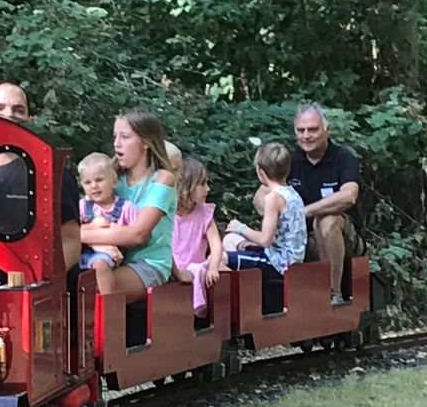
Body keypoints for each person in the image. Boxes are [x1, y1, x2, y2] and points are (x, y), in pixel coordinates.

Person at [255, 103, 363, 305]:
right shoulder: (290, 160)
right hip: (299, 241)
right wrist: (272, 210)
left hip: (343, 238)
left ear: (326, 130)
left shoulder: (343, 158)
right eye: (301, 130)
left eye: (312, 129)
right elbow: (261, 195)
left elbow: (349, 196)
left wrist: (302, 211)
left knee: (325, 221)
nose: (306, 136)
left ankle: (333, 292)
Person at [0, 82, 82, 274]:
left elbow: (70, 239)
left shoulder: (52, 171)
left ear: (29, 119)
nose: (9, 115)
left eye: (18, 110)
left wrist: (41, 279)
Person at [81, 109, 176, 300]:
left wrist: (77, 236)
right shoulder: (111, 179)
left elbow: (138, 234)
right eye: (115, 136)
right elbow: (85, 214)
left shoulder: (161, 179)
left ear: (146, 143)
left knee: (96, 284)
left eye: (124, 137)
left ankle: (110, 328)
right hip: (110, 255)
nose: (116, 143)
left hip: (148, 262)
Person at [224, 142, 306, 283]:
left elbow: (265, 240)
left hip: (278, 264)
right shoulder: (293, 193)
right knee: (230, 239)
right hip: (289, 257)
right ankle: (246, 287)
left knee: (220, 258)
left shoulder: (273, 198)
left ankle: (242, 298)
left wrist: (240, 228)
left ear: (260, 171)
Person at [75, 153, 140, 294]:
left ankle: (107, 304)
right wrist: (91, 226)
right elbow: (70, 231)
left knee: (100, 264)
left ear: (114, 181)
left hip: (110, 255)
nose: (94, 186)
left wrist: (116, 230)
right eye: (88, 182)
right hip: (80, 252)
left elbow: (136, 235)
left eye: (99, 180)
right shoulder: (81, 206)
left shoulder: (126, 207)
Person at [171, 157, 223, 317]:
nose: (207, 189)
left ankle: (199, 311)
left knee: (196, 269)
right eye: (202, 184)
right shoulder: (168, 213)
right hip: (174, 268)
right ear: (186, 187)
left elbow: (216, 245)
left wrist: (213, 267)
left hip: (198, 266)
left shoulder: (204, 213)